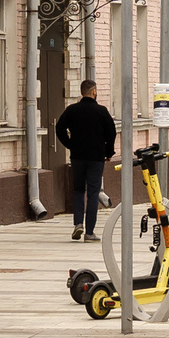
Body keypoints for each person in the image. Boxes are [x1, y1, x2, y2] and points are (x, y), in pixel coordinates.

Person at [56, 81, 117, 241]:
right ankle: (89, 232)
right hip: (96, 158)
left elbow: (59, 128)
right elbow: (111, 133)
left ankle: (78, 223)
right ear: (94, 92)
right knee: (93, 193)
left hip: (77, 157)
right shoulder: (101, 111)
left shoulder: (72, 110)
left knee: (78, 190)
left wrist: (70, 144)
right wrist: (108, 152)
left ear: (82, 92)